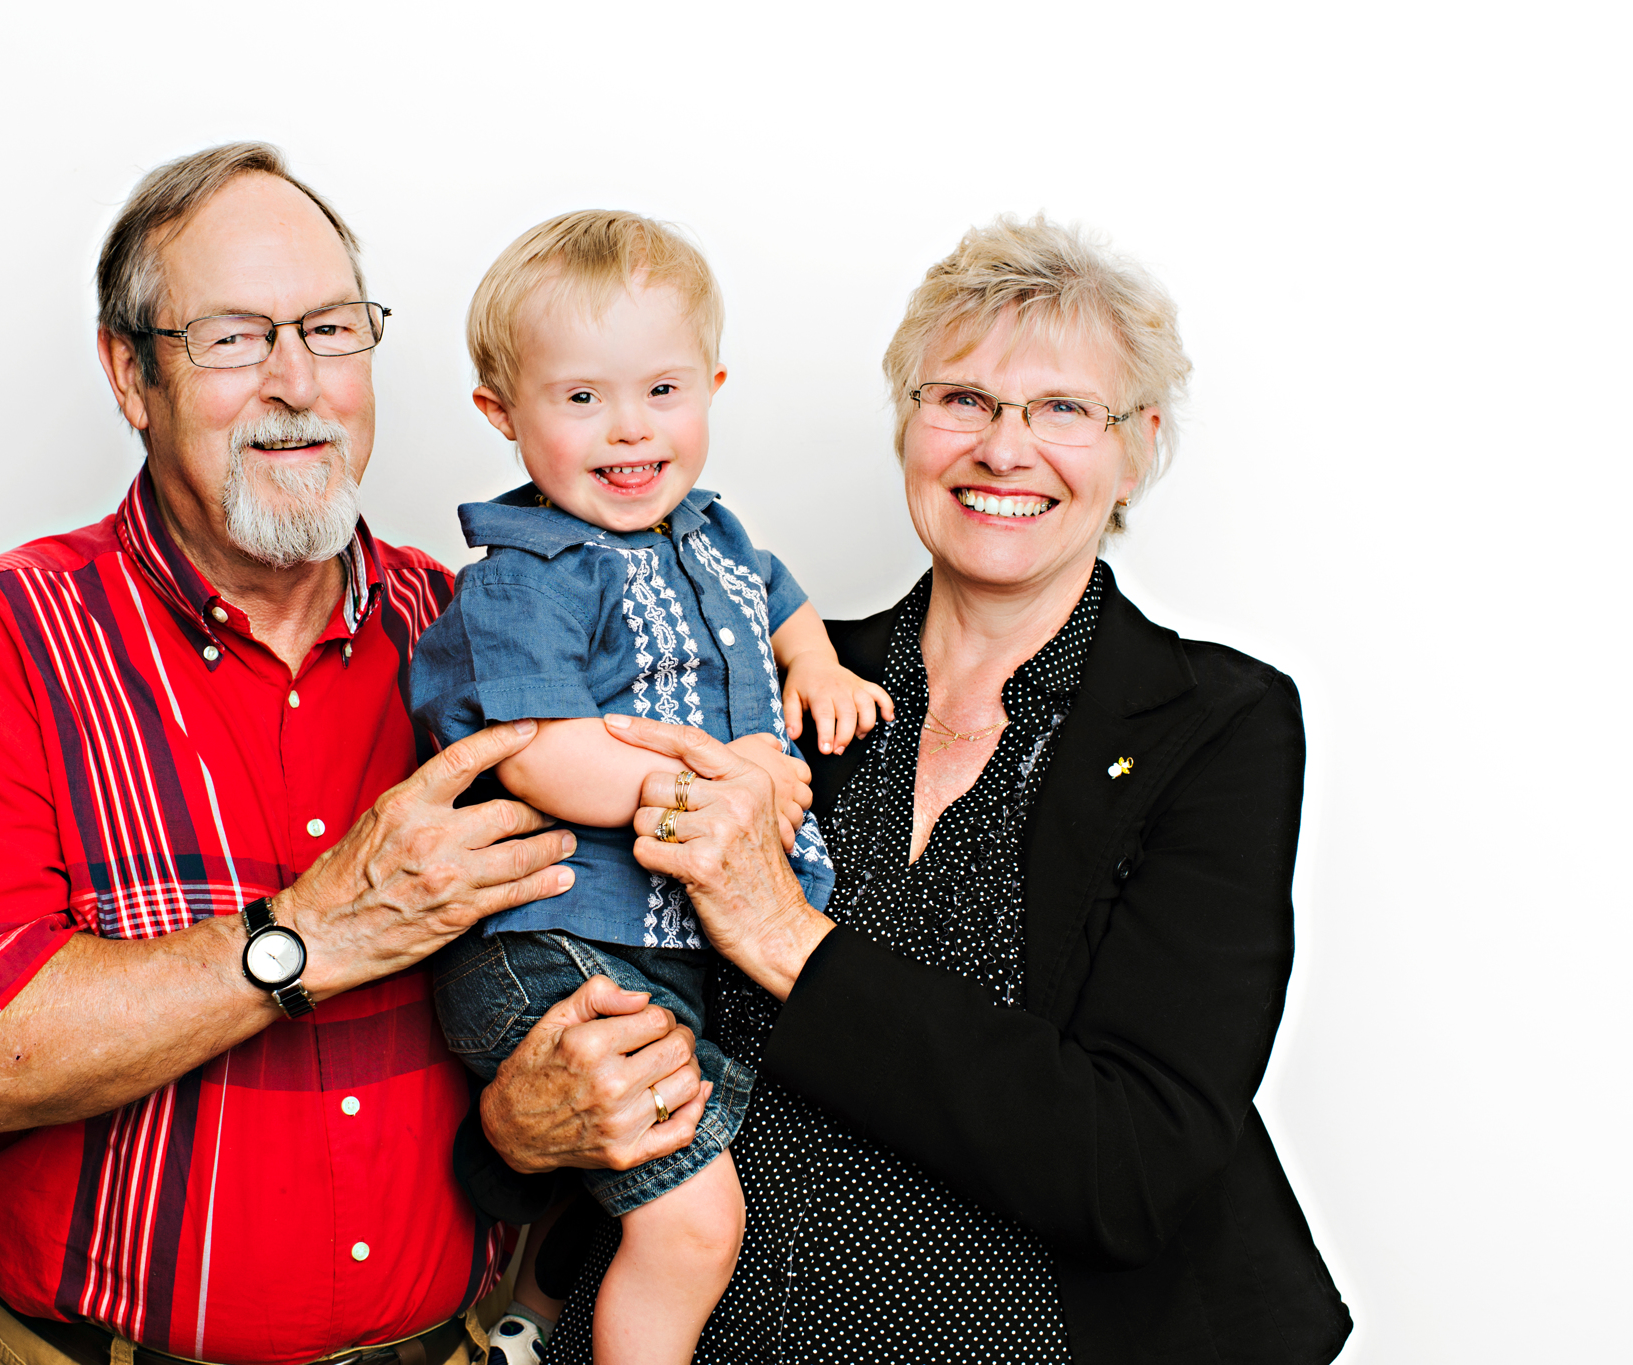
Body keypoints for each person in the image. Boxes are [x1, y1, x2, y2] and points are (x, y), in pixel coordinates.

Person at [0, 144, 710, 1365]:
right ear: (129, 372)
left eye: (329, 329)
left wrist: (519, 1135)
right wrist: (311, 936)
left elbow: (595, 962)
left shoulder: (485, 634)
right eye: (232, 338)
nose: (295, 383)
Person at [516, 216, 1354, 1362]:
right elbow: (577, 958)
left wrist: (784, 939)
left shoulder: (1213, 727)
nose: (1002, 451)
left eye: (1063, 409)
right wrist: (509, 1126)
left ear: (1138, 443)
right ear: (908, 424)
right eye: (959, 398)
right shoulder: (757, 681)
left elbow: (1130, 1163)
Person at [408, 210, 892, 1365]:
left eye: (663, 391)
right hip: (552, 949)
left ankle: (540, 1324)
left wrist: (815, 666)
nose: (629, 428)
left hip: (646, 950)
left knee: (684, 1217)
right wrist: (709, 794)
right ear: (501, 416)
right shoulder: (527, 576)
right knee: (691, 1226)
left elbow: (780, 603)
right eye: (580, 399)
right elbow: (539, 752)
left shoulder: (715, 535)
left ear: (712, 387)